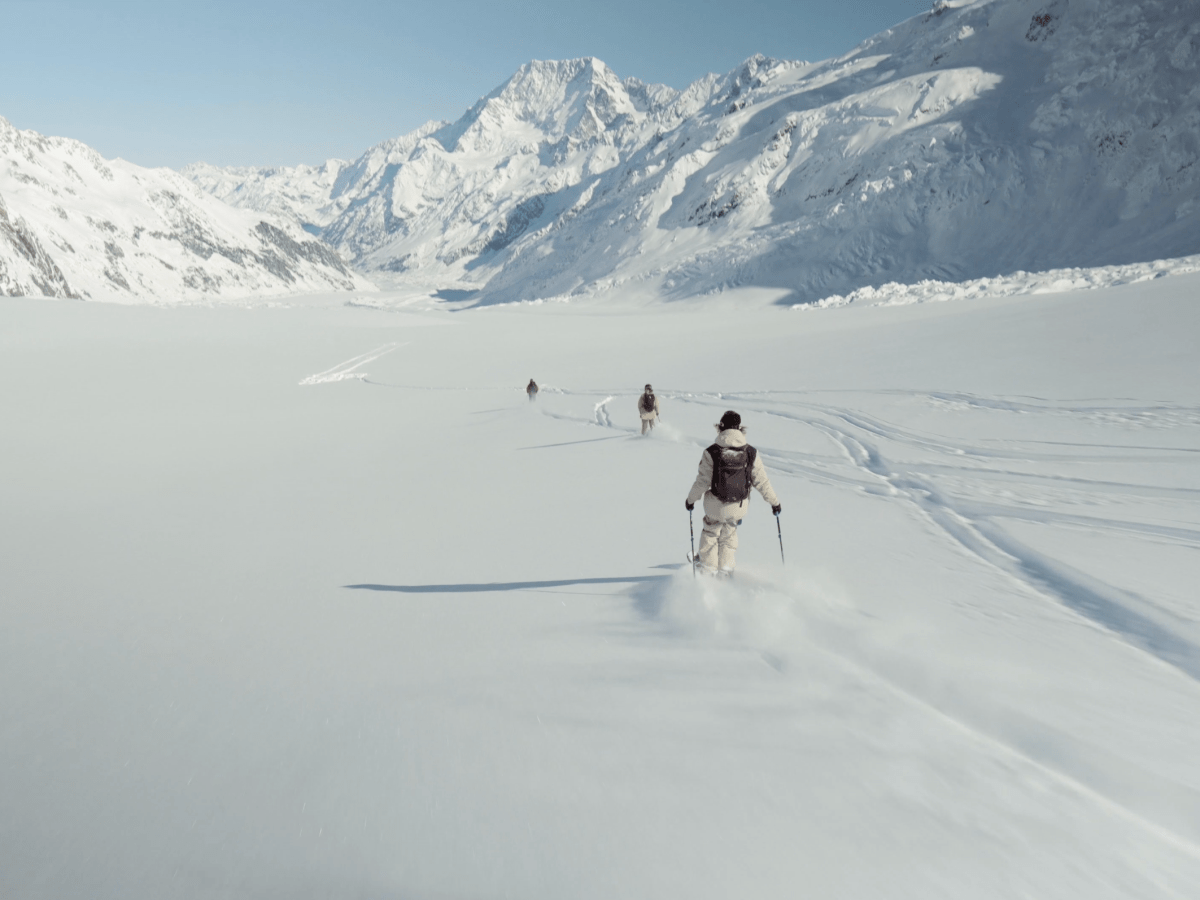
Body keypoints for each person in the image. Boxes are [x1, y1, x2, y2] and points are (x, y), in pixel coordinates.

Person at [685, 410, 781, 576]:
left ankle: (708, 570)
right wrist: (775, 503)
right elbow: (762, 482)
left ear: (721, 427)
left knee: (710, 532)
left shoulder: (712, 452)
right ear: (740, 429)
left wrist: (690, 500)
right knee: (728, 537)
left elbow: (702, 481)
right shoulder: (751, 452)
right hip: (738, 506)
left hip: (715, 505)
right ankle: (726, 569)